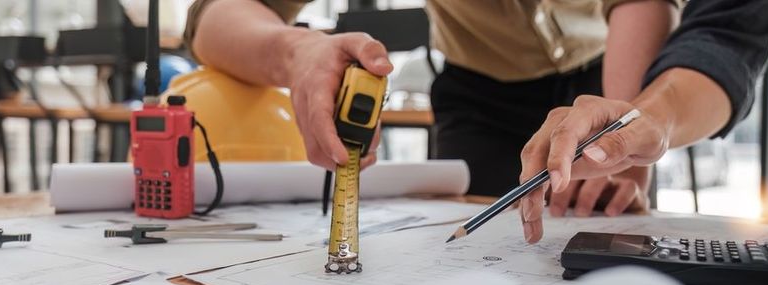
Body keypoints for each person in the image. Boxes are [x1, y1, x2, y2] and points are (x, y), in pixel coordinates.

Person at [184, 0, 680, 216]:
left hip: (608, 70)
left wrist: (624, 119)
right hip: (480, 91)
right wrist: (298, 52)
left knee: (607, 242)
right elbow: (212, 18)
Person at [518, 0, 768, 242]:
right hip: (486, 86)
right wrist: (642, 123)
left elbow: (725, 34)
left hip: (608, 57)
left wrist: (629, 154)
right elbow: (725, 33)